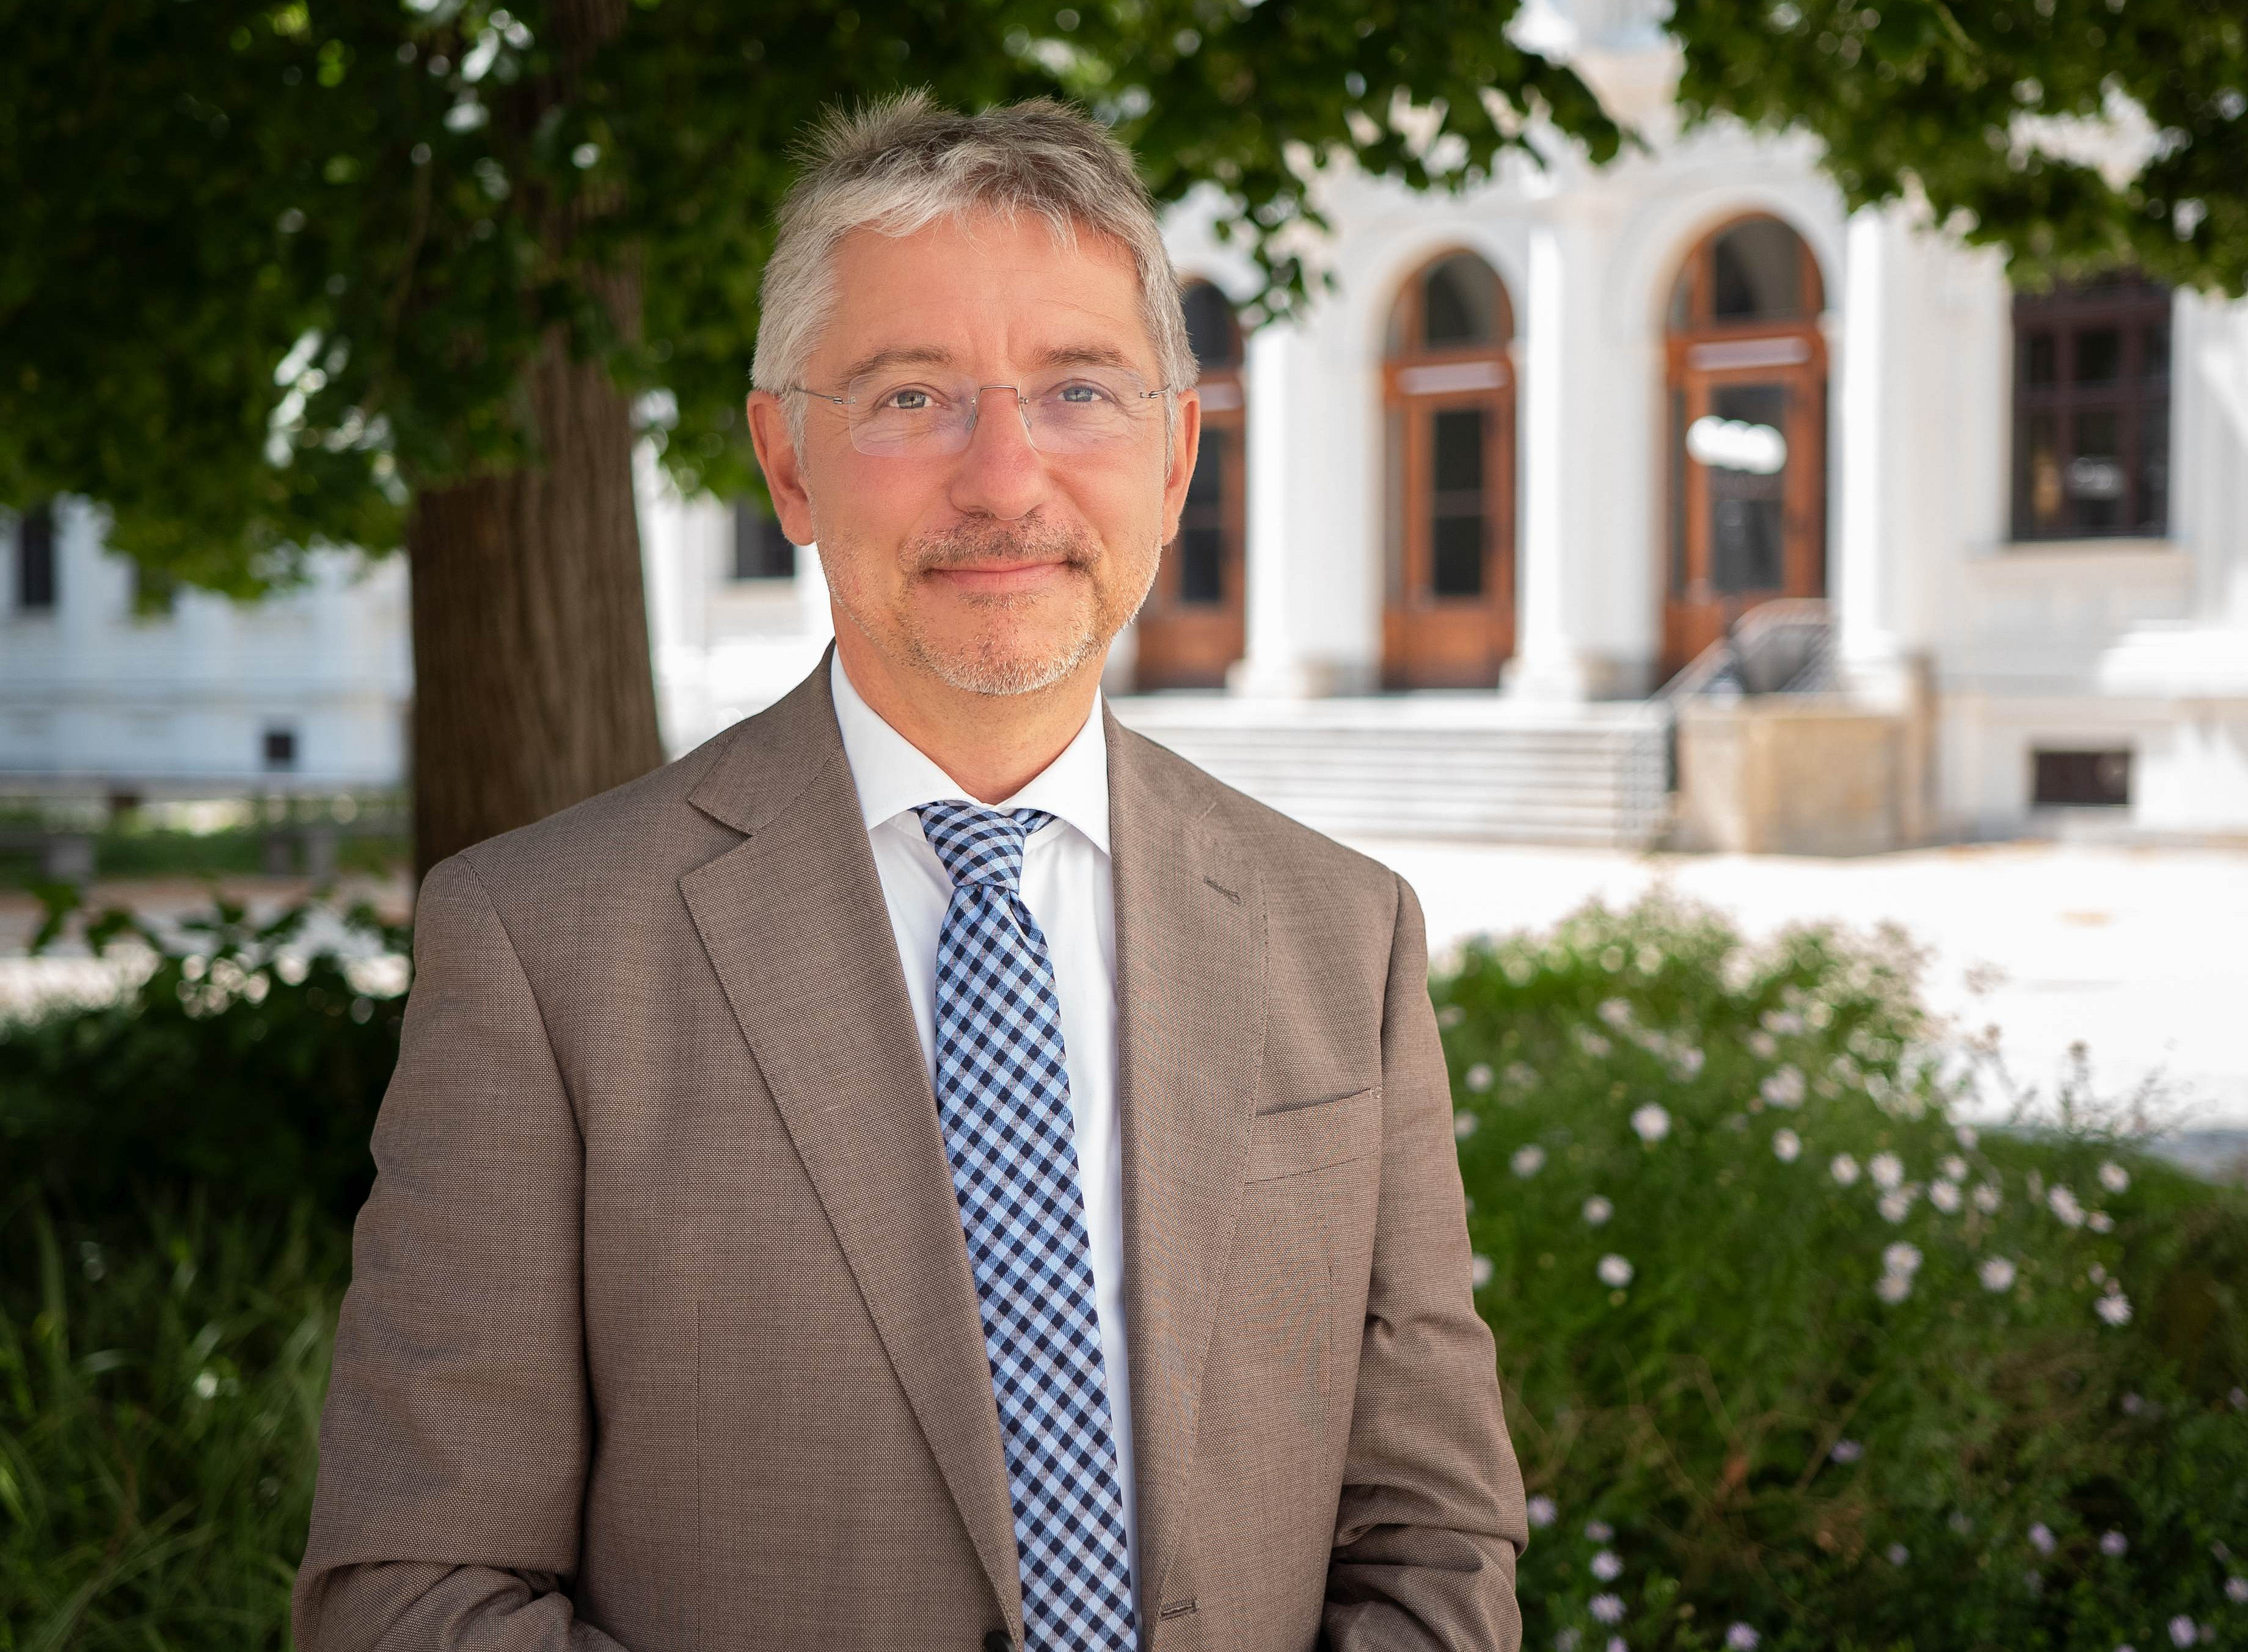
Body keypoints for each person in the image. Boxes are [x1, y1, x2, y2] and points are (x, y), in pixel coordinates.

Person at [294, 92, 1528, 1652]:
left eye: (1078, 389)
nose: (1003, 478)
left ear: (1174, 460)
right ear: (788, 464)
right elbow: (412, 1597)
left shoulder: (1339, 934)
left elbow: (1433, 1541)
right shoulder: (543, 948)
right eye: (908, 398)